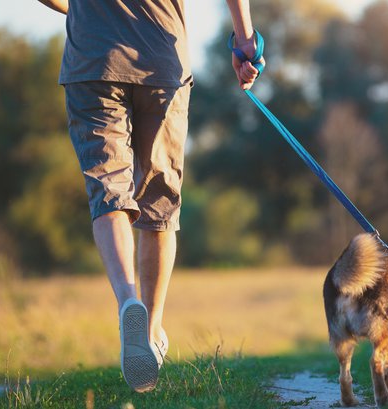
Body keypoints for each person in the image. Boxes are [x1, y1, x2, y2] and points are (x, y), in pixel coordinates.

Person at [37, 0, 264, 392]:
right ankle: (153, 327)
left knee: (109, 190)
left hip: (93, 57)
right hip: (161, 58)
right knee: (158, 200)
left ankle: (128, 301)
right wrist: (245, 41)